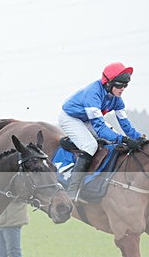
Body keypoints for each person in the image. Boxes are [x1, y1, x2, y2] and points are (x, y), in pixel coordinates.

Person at [59, 62, 146, 201]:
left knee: (112, 137)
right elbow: (100, 128)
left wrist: (138, 138)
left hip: (87, 119)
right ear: (108, 83)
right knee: (91, 146)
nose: (122, 88)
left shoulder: (117, 99)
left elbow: (125, 124)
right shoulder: (93, 94)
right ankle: (72, 190)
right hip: (71, 118)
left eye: (125, 85)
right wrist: (124, 140)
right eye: (119, 85)